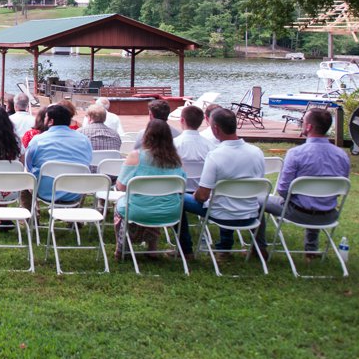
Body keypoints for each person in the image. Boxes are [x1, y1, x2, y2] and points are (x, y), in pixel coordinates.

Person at [255, 107, 350, 257]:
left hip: (299, 213)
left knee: (257, 201)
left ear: (309, 126)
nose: (301, 124)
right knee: (314, 198)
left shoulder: (296, 154)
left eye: (303, 121)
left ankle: (259, 248)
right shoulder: (342, 155)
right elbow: (340, 188)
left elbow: (283, 190)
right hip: (329, 214)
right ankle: (311, 250)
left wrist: (295, 200)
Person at [177, 108, 264, 258]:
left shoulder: (216, 156)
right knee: (225, 198)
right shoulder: (257, 152)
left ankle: (186, 250)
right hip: (250, 212)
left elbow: (202, 196)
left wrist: (197, 194)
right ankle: (227, 247)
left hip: (222, 213)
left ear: (215, 129)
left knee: (178, 198)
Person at [113, 119, 187, 258]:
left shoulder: (136, 156)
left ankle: (122, 248)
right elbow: (182, 185)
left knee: (120, 206)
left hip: (138, 211)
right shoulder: (177, 160)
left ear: (146, 135)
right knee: (157, 200)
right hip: (171, 211)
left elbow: (121, 186)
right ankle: (152, 247)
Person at [25, 104, 93, 207]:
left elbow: (28, 165)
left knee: (25, 175)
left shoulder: (38, 140)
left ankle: (30, 214)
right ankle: (75, 219)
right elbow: (88, 161)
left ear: (51, 121)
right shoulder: (84, 140)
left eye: (46, 117)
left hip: (46, 191)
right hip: (75, 191)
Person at [173, 105, 212, 192]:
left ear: (182, 120)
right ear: (201, 121)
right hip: (203, 195)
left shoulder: (172, 145)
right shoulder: (210, 147)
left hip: (178, 193)